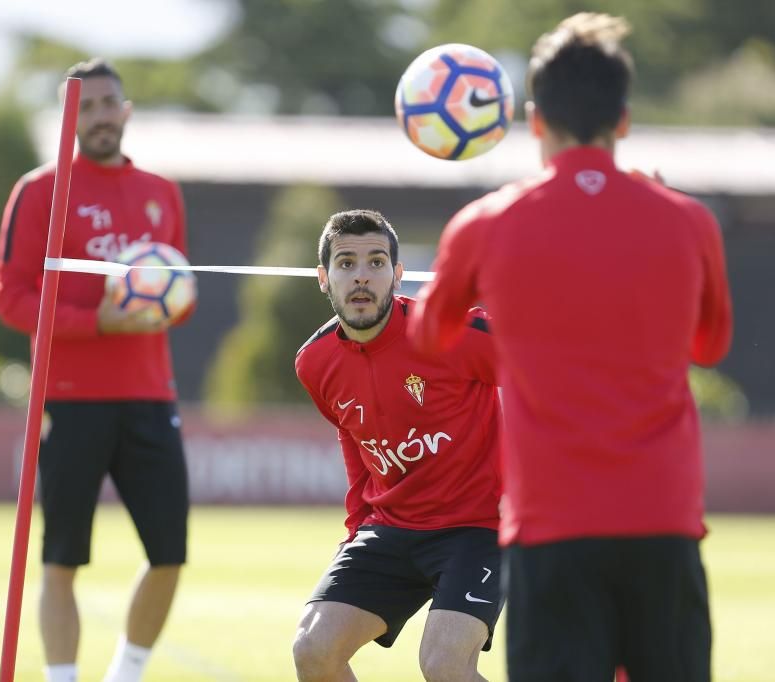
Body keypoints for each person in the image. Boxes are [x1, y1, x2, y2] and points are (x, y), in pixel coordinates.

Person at [409, 13, 733, 682]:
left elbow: (429, 338)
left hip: (551, 530)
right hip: (664, 524)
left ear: (532, 120)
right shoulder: (688, 219)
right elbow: (712, 344)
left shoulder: (486, 223)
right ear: (624, 119)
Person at [0, 58, 191, 682]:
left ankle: (125, 674)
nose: (101, 116)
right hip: (70, 400)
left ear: (127, 111)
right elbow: (11, 298)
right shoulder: (39, 190)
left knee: (169, 554)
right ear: (69, 117)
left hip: (150, 397)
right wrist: (99, 319)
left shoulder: (162, 192)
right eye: (88, 106)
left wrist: (155, 311)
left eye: (110, 104)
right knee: (60, 560)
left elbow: (177, 296)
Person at [292, 209, 502, 682]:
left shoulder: (451, 331)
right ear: (324, 279)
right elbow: (356, 446)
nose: (361, 276)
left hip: (478, 528)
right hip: (390, 529)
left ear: (398, 274)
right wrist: (357, 528)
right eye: (346, 264)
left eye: (376, 262)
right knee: (313, 650)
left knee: (444, 665)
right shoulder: (313, 362)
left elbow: (546, 372)